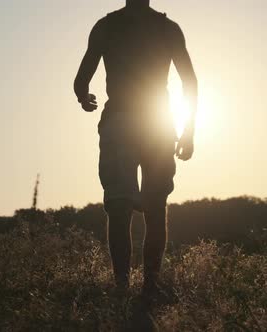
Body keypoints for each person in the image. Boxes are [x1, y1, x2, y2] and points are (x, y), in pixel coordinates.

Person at [73, 0, 198, 295]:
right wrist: (189, 130)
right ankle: (151, 287)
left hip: (119, 121)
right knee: (155, 208)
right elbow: (189, 81)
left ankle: (121, 287)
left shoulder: (106, 26)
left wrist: (84, 97)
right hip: (157, 123)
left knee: (118, 209)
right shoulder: (168, 28)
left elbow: (81, 80)